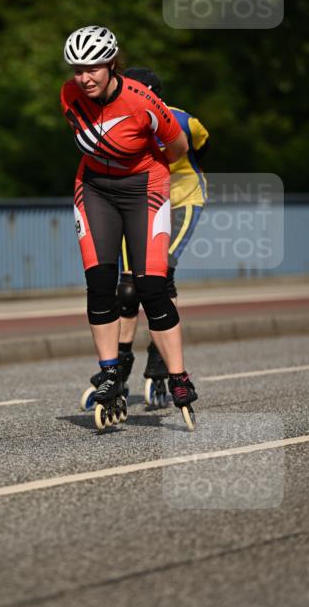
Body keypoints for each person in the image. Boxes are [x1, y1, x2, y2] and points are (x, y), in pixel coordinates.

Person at [61, 25, 198, 428]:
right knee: (101, 285)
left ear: (112, 63)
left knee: (152, 287)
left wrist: (140, 166)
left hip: (145, 189)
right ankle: (109, 374)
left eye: (93, 68)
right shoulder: (69, 95)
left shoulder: (143, 103)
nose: (84, 77)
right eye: (77, 68)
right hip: (94, 190)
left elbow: (177, 148)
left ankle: (177, 376)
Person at [115, 66, 209, 407]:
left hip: (183, 198)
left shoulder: (182, 120)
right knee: (127, 285)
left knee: (159, 274)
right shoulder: (114, 120)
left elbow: (201, 145)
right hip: (141, 201)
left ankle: (160, 364)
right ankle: (120, 365)